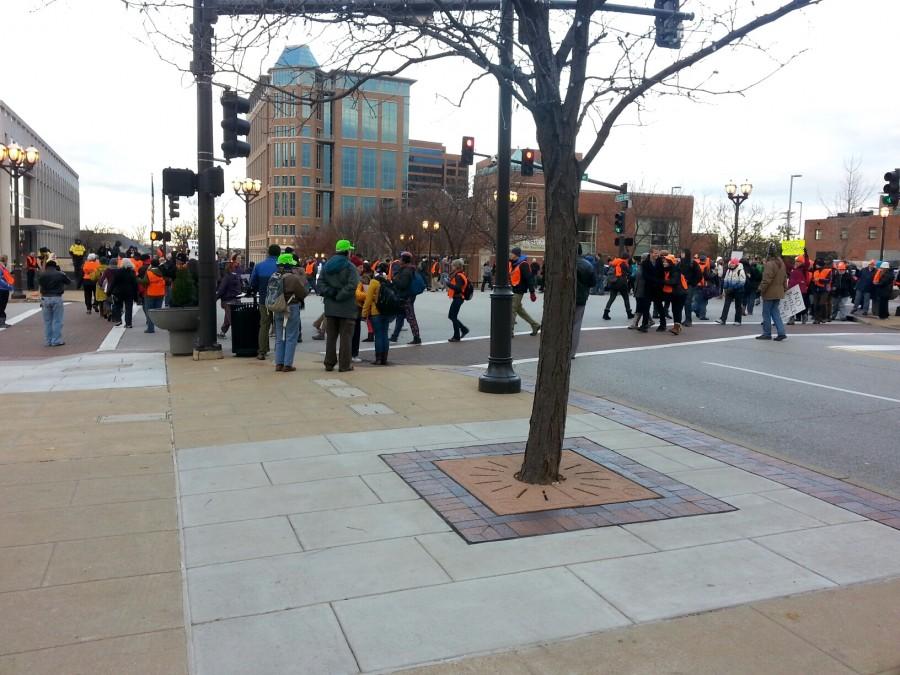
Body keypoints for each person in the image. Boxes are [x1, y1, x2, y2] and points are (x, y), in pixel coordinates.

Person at [320, 239, 360, 372]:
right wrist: (340, 295)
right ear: (347, 252)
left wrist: (331, 293)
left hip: (330, 308)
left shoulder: (326, 266)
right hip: (347, 308)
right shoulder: (350, 267)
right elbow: (353, 285)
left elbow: (320, 284)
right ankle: (344, 365)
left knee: (331, 337)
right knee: (346, 338)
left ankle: (329, 363)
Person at [272, 253, 307, 372]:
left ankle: (278, 363)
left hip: (277, 308)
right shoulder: (293, 278)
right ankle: (287, 364)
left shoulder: (274, 276)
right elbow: (303, 293)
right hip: (291, 307)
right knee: (291, 336)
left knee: (279, 336)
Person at [249, 244, 281, 360]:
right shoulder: (280, 267)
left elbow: (252, 283)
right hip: (279, 301)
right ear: (279, 254)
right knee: (279, 325)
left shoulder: (259, 266)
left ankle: (262, 351)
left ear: (268, 253)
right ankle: (280, 351)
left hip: (264, 300)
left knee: (264, 325)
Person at [363, 262, 394, 365]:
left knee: (378, 335)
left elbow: (368, 299)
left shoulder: (374, 282)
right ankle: (384, 358)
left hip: (376, 312)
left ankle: (378, 358)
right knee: (385, 334)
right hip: (386, 311)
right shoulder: (388, 281)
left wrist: (364, 313)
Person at [389, 252, 423, 345]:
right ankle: (394, 337)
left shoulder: (406, 271)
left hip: (405, 297)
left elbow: (403, 285)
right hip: (406, 297)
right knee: (400, 317)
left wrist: (394, 279)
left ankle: (417, 338)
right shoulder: (409, 269)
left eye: (400, 259)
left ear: (403, 260)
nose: (399, 260)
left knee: (411, 318)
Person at [757, 243, 787, 341]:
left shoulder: (769, 264)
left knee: (766, 313)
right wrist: (785, 288)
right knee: (775, 312)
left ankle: (767, 333)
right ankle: (781, 332)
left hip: (769, 292)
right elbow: (784, 278)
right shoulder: (781, 263)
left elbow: (766, 279)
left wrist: (761, 289)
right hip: (778, 291)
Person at [509, 246, 541, 336]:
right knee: (519, 310)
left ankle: (509, 331)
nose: (510, 255)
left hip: (519, 290)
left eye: (512, 253)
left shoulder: (523, 264)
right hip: (513, 289)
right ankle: (535, 325)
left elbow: (529, 279)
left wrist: (532, 292)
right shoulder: (513, 263)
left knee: (512, 309)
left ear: (516, 255)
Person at [572, 245, 598, 357]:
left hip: (563, 297)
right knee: (576, 324)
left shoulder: (562, 261)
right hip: (580, 297)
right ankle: (571, 351)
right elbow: (593, 282)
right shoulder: (587, 265)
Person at [38, 260, 70, 346]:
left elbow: (40, 284)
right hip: (56, 297)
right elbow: (68, 282)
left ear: (47, 266)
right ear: (55, 266)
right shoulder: (60, 274)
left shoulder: (42, 275)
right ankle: (56, 340)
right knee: (57, 320)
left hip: (45, 297)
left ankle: (48, 341)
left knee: (47, 321)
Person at [660, 254, 687, 335]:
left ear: (670, 262)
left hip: (680, 293)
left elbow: (674, 281)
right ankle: (677, 326)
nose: (664, 262)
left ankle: (677, 327)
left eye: (666, 261)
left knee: (677, 310)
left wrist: (661, 281)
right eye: (664, 261)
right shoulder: (668, 269)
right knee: (675, 310)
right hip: (675, 294)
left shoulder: (675, 270)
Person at [215, 260, 242, 339]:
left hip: (228, 301)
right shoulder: (236, 276)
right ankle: (223, 332)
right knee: (228, 317)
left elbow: (221, 290)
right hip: (236, 300)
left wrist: (215, 298)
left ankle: (239, 336)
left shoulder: (226, 277)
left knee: (232, 319)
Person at [602, 253, 633, 320]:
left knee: (611, 298)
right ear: (627, 258)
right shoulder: (623, 264)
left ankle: (605, 313)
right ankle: (629, 314)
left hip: (613, 282)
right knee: (626, 298)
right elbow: (629, 272)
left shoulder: (615, 262)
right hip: (622, 283)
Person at [139, 257, 167, 333]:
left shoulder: (149, 272)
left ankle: (150, 328)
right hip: (161, 293)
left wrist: (138, 280)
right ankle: (157, 324)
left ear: (151, 264)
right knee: (157, 310)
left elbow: (145, 282)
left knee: (150, 311)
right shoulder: (162, 271)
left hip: (150, 293)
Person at [446, 259, 471, 342]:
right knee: (452, 316)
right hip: (459, 298)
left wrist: (448, 284)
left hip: (458, 298)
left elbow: (458, 288)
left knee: (452, 316)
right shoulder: (461, 274)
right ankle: (463, 330)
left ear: (456, 266)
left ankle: (457, 335)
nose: (452, 266)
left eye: (453, 265)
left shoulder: (458, 276)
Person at [717, 258, 746, 325]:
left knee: (738, 306)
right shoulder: (729, 271)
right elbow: (726, 279)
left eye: (733, 264)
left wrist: (733, 288)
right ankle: (722, 319)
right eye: (731, 264)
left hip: (738, 291)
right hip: (729, 290)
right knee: (726, 305)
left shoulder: (740, 271)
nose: (731, 265)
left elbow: (742, 282)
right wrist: (725, 287)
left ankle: (738, 321)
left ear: (736, 264)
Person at [787, 253, 811, 325]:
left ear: (802, 262)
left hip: (801, 289)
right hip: (792, 288)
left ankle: (804, 315)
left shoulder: (804, 269)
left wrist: (806, 256)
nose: (797, 263)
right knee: (792, 305)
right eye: (796, 261)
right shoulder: (792, 269)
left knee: (800, 305)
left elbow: (807, 263)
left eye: (798, 262)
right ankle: (791, 319)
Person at [690, 254, 713, 321]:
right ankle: (691, 310)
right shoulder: (705, 266)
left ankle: (699, 313)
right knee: (703, 301)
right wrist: (714, 274)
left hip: (696, 284)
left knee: (697, 300)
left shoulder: (695, 265)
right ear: (705, 260)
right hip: (703, 285)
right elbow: (708, 277)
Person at [809, 258, 832, 324]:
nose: (816, 265)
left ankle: (824, 317)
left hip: (824, 289)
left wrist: (819, 280)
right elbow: (813, 281)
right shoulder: (815, 271)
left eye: (817, 264)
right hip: (816, 289)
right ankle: (817, 319)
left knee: (822, 303)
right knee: (816, 304)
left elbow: (828, 280)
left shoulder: (828, 271)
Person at [0, 255, 13, 328]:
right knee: (2, 306)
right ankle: (2, 323)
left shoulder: (3, 268)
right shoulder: (1, 268)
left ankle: (2, 322)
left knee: (2, 306)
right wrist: (8, 286)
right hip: (2, 289)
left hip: (4, 289)